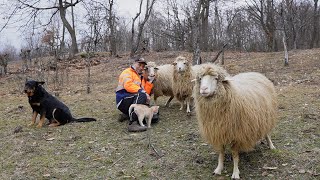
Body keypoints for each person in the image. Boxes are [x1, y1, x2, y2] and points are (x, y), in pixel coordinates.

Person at [115, 56, 158, 132]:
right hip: (123, 100)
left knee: (154, 116)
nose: (141, 67)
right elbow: (128, 86)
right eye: (139, 65)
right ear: (134, 63)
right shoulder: (127, 72)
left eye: (143, 66)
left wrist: (150, 82)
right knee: (141, 94)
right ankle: (133, 124)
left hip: (132, 101)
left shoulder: (139, 77)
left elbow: (146, 94)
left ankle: (127, 115)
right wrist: (143, 92)